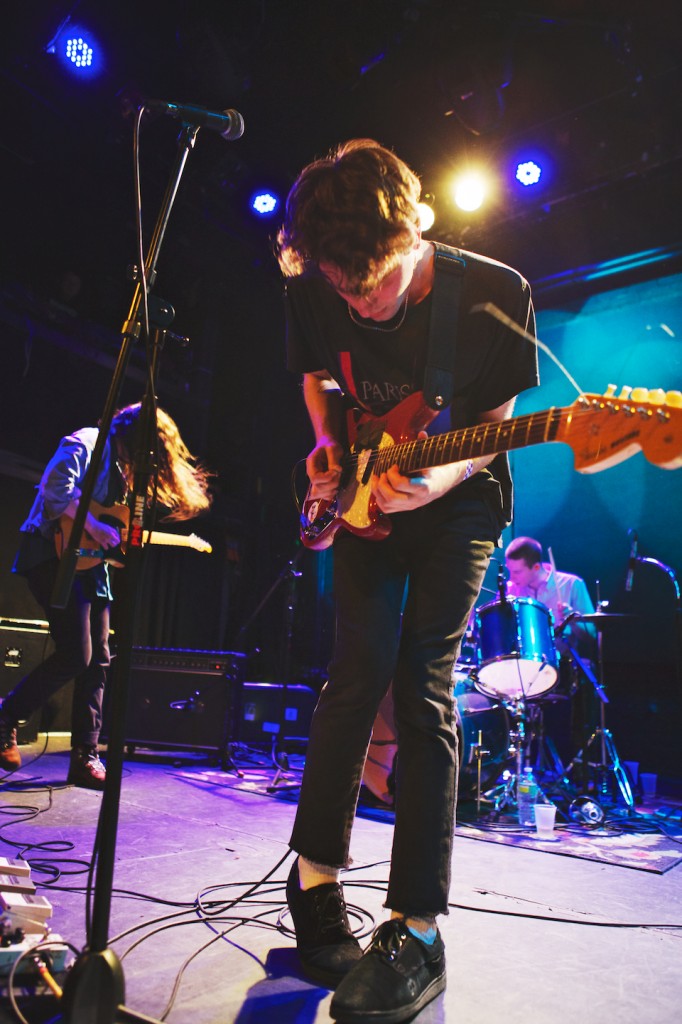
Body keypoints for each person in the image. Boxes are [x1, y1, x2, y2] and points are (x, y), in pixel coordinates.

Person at [275, 138, 538, 1022]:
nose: (362, 303)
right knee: (352, 676)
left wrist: (443, 477)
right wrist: (325, 446)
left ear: (417, 228)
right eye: (348, 290)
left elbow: (497, 428)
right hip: (362, 494)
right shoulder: (313, 281)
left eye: (376, 284)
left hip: (460, 499)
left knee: (422, 687)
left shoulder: (495, 294)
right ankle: (313, 885)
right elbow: (317, 377)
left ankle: (416, 930)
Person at [0, 403, 212, 788]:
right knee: (75, 654)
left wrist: (113, 543)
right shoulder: (88, 442)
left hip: (90, 566)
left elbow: (107, 528)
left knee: (99, 659)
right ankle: (5, 716)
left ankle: (85, 755)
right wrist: (97, 527)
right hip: (51, 555)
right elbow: (53, 491)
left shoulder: (124, 473)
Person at [504, 535, 598, 771]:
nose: (511, 578)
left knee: (559, 725)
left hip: (562, 667)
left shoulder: (570, 585)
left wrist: (571, 617)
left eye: (517, 572)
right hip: (524, 669)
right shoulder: (511, 589)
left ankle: (558, 771)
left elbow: (592, 634)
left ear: (535, 567)